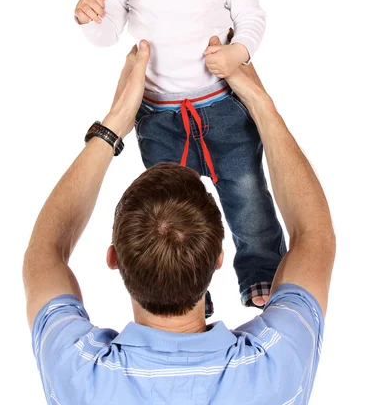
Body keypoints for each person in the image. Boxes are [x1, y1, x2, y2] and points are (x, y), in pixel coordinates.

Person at [23, 39, 335, 405]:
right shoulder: (277, 366)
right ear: (220, 257)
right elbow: (314, 236)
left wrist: (115, 124)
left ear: (114, 259)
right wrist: (262, 106)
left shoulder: (77, 374)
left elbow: (44, 253)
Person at [74, 0, 286, 310]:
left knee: (246, 192)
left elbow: (252, 16)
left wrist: (238, 53)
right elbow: (108, 33)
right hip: (161, 117)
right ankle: (189, 294)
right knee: (172, 213)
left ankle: (261, 272)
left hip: (222, 107)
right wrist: (91, 17)